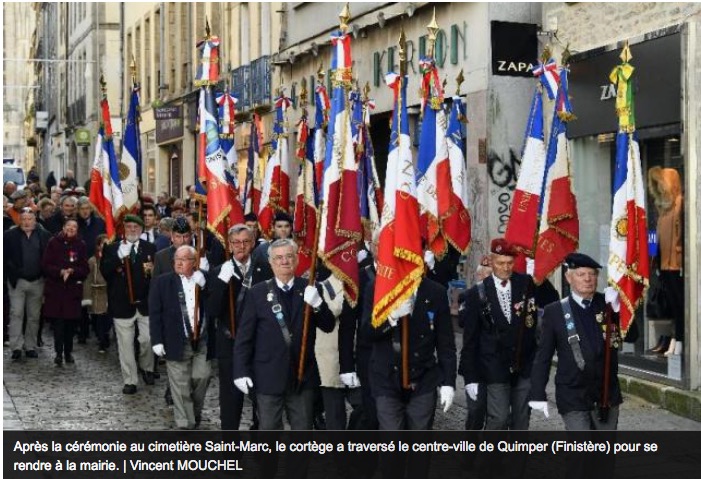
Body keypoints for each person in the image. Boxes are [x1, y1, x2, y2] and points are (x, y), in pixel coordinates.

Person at [232, 238, 336, 430]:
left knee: (302, 429)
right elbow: (244, 338)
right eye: (278, 258)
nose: (284, 261)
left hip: (301, 375)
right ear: (270, 262)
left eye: (289, 256)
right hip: (268, 375)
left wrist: (318, 305)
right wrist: (241, 371)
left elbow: (328, 325)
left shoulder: (311, 287)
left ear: (297, 260)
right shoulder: (257, 293)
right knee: (269, 429)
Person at [529, 252, 623, 430]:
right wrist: (537, 393)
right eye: (581, 274)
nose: (588, 279)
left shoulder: (608, 305)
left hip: (605, 393)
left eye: (592, 274)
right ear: (568, 278)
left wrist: (620, 311)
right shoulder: (555, 312)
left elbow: (631, 336)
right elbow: (543, 357)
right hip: (573, 393)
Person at [362, 268, 457, 431]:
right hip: (386, 377)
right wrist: (391, 317)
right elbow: (366, 333)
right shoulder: (377, 287)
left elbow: (446, 344)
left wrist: (448, 382)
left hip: (423, 377)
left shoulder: (436, 292)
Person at [459, 238, 538, 430]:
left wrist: (540, 276)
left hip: (524, 364)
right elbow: (470, 341)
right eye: (500, 263)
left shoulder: (526, 283)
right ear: (492, 262)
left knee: (521, 420)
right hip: (494, 366)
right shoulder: (476, 294)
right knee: (499, 418)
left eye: (510, 263)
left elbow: (549, 302)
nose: (505, 268)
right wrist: (470, 377)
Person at [207, 224, 273, 430]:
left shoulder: (265, 268)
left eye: (245, 242)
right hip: (230, 343)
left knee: (261, 396)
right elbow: (212, 310)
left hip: (260, 343)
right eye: (235, 242)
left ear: (253, 243)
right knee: (230, 399)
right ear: (229, 244)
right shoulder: (220, 271)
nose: (240, 247)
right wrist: (221, 281)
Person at [150, 245, 210, 429]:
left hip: (201, 340)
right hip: (176, 339)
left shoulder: (204, 280)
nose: (179, 262)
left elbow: (218, 303)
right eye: (177, 259)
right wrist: (157, 340)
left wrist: (207, 284)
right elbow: (155, 312)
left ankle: (194, 412)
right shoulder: (162, 282)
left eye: (184, 259)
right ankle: (185, 423)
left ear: (194, 262)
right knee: (180, 384)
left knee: (202, 377)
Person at [100, 215, 156, 394]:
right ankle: (130, 380)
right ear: (123, 229)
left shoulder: (150, 248)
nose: (132, 230)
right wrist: (118, 257)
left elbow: (155, 275)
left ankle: (147, 367)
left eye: (136, 227)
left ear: (141, 229)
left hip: (145, 303)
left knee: (147, 340)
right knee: (125, 344)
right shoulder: (112, 248)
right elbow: (105, 272)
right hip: (122, 304)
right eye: (129, 227)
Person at [4, 208, 52, 360]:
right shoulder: (9, 235)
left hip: (37, 281)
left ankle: (30, 346)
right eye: (23, 219)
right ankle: (16, 347)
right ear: (19, 220)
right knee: (16, 313)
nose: (26, 222)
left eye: (29, 219)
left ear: (35, 220)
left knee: (34, 315)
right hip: (17, 281)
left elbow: (48, 257)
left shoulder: (44, 235)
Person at [41, 218, 89, 366]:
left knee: (70, 326)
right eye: (68, 226)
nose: (71, 229)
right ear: (63, 227)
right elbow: (46, 265)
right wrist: (60, 272)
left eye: (74, 227)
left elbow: (85, 269)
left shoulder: (80, 245)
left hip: (72, 292)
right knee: (58, 325)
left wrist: (72, 271)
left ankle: (68, 352)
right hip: (55, 291)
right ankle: (58, 353)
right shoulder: (53, 242)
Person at [84, 234, 111, 353]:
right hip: (97, 293)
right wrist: (87, 296)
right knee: (98, 318)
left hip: (109, 292)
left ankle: (105, 335)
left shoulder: (112, 259)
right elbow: (88, 279)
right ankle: (102, 340)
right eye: (102, 244)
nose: (104, 246)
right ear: (98, 246)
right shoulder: (92, 261)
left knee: (108, 318)